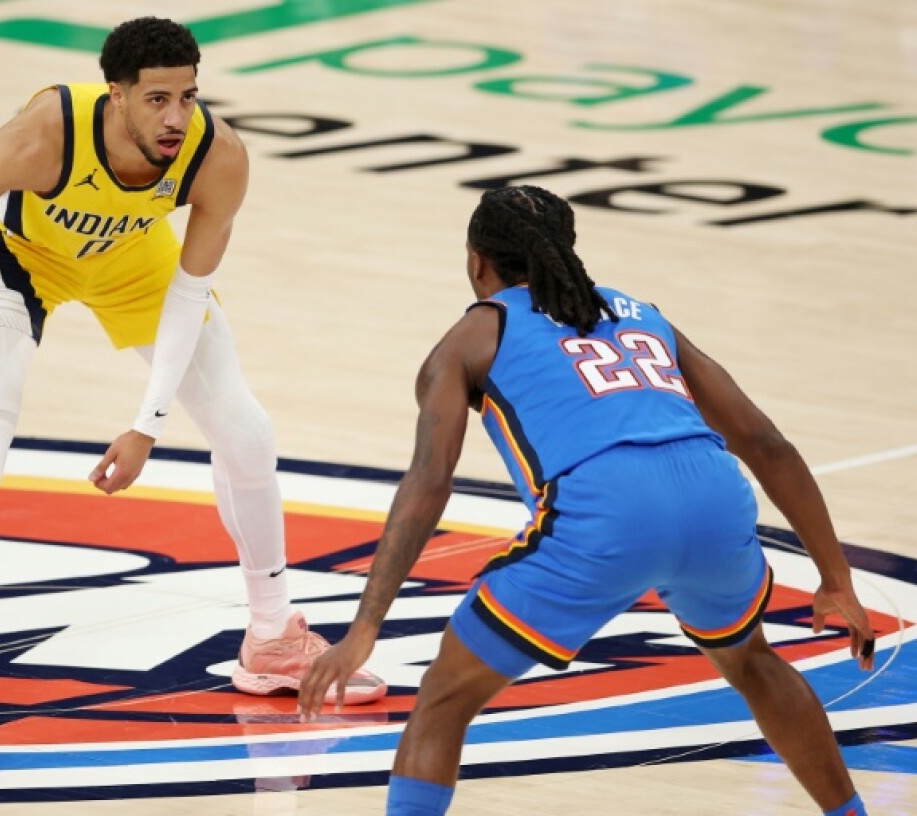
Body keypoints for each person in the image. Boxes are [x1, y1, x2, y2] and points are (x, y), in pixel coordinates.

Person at [0, 16, 384, 784]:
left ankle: (270, 637)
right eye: (158, 99)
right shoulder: (42, 136)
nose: (177, 117)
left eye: (189, 97)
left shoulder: (217, 157)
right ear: (116, 98)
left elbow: (189, 294)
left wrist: (147, 425)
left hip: (134, 267)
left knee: (246, 431)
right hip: (20, 266)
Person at [297, 186, 875, 816]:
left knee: (444, 698)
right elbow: (766, 443)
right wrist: (834, 576)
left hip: (607, 511)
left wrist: (365, 626)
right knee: (752, 662)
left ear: (475, 262)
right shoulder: (645, 315)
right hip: (714, 494)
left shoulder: (472, 336)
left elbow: (429, 483)